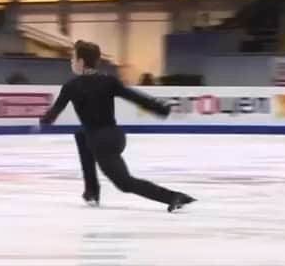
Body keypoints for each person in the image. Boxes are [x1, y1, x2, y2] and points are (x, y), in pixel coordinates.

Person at [38, 40, 196, 213]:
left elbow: (53, 113)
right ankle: (92, 191)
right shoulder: (109, 81)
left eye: (73, 58)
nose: (71, 62)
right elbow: (134, 96)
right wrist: (160, 108)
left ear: (81, 62)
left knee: (124, 183)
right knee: (81, 136)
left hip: (101, 143)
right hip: (115, 136)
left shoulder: (71, 87)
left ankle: (172, 196)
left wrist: (43, 120)